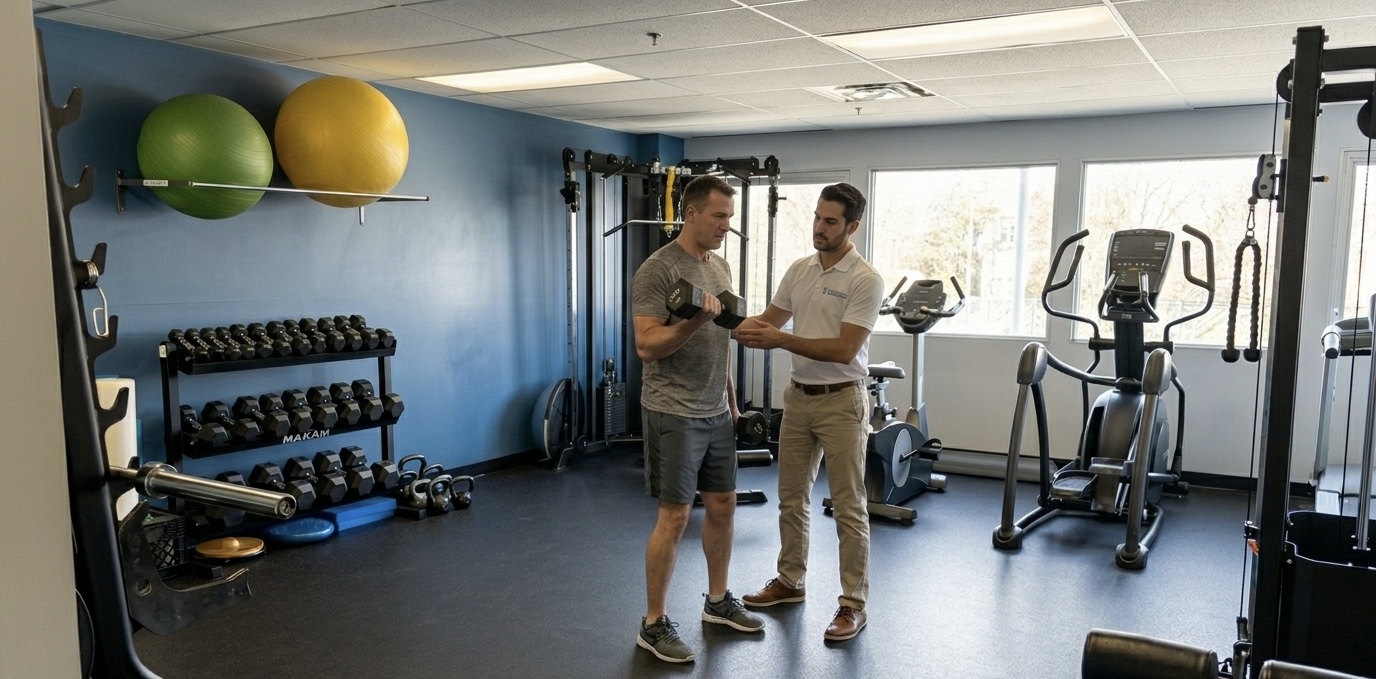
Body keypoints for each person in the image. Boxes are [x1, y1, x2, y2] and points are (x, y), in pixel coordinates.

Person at [734, 182, 884, 642]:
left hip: (842, 400)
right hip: (798, 398)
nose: (819, 227)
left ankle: (852, 605)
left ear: (852, 226)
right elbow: (767, 322)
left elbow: (843, 349)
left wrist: (780, 340)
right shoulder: (800, 270)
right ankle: (789, 581)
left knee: (848, 506)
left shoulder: (865, 279)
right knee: (790, 497)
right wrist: (713, 317)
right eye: (817, 218)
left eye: (830, 221)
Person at [629, 174, 764, 664]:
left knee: (724, 505)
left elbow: (721, 343)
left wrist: (730, 401)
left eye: (730, 217)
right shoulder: (657, 270)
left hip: (714, 410)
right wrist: (693, 321)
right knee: (675, 514)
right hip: (672, 409)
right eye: (720, 216)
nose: (727, 225)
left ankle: (718, 601)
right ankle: (653, 622)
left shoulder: (720, 266)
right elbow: (646, 346)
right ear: (690, 214)